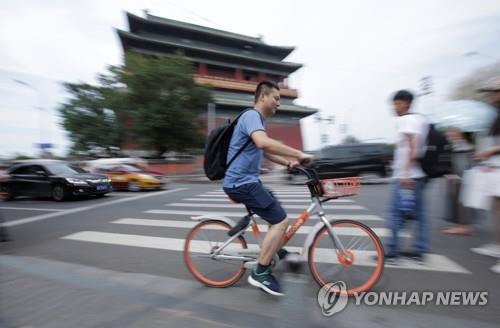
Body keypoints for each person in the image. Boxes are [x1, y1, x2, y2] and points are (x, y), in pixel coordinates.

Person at [223, 80, 313, 296]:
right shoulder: (251, 116)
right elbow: (264, 144)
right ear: (263, 96)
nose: (278, 104)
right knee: (281, 220)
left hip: (247, 181)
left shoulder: (256, 121)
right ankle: (260, 273)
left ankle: (275, 249)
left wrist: (289, 163)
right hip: (241, 183)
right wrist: (298, 154)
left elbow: (265, 152)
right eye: (276, 98)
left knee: (275, 208)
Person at [385, 90, 429, 263]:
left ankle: (393, 252)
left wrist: (406, 173)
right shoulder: (420, 119)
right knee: (420, 214)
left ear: (405, 103)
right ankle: (420, 250)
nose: (394, 107)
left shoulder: (406, 120)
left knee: (394, 214)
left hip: (406, 176)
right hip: (418, 175)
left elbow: (412, 146)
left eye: (396, 103)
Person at [470, 77, 500, 274]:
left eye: (493, 91)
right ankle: (498, 245)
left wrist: (489, 152)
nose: (490, 95)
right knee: (497, 209)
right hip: (495, 167)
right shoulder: (496, 115)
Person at [442, 128, 475, 235]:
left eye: (452, 131)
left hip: (461, 176)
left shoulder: (462, 146)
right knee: (458, 199)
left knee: (461, 198)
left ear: (461, 134)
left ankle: (464, 226)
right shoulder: (461, 145)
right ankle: (461, 225)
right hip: (460, 175)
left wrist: (455, 175)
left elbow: (462, 165)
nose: (449, 133)